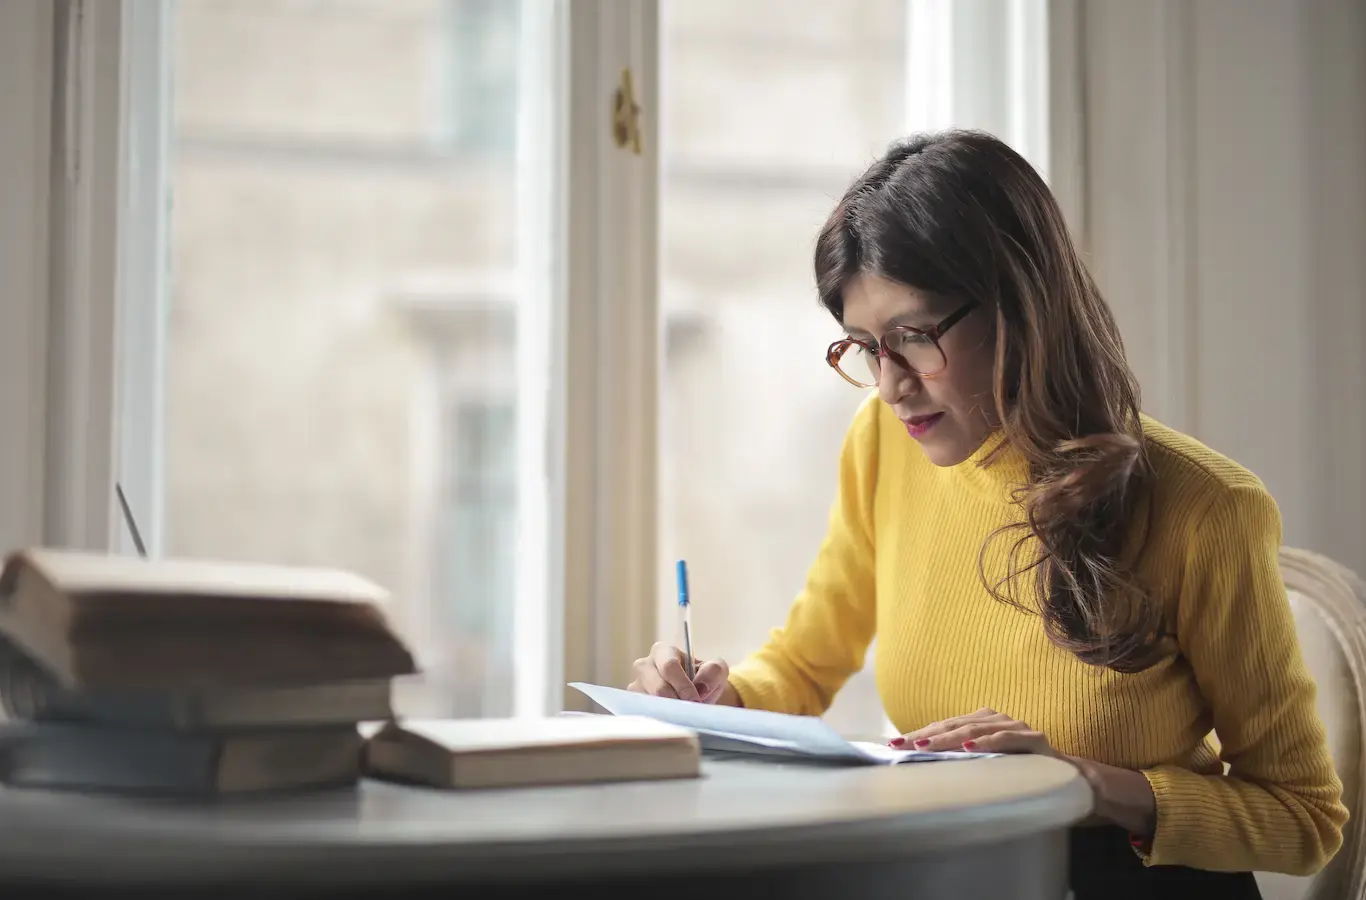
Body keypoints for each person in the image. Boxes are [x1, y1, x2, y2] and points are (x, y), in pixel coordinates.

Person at [629, 130, 1347, 900]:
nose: (892, 386)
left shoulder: (1205, 508)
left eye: (913, 338)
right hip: (965, 872)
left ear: (1017, 306)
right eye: (866, 348)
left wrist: (1081, 783)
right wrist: (719, 701)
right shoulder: (883, 443)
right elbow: (805, 661)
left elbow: (1303, 820)